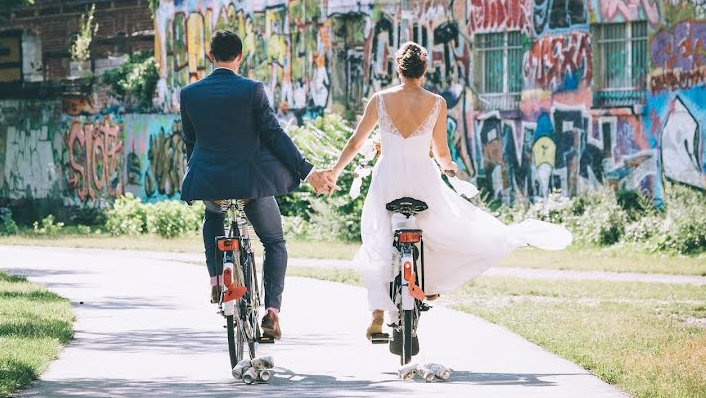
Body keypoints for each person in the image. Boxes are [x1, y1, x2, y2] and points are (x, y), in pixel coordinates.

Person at [327, 42, 572, 339]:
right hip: (421, 178)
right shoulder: (436, 103)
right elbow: (441, 151)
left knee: (379, 240)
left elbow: (355, 142)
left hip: (387, 179)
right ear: (424, 70)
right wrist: (450, 168)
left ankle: (377, 316)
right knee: (433, 232)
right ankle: (425, 285)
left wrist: (335, 172)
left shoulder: (380, 99)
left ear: (398, 67)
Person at [179, 29, 336, 341]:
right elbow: (274, 134)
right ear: (240, 57)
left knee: (213, 218)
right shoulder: (252, 89)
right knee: (274, 243)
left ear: (211, 56)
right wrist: (308, 172)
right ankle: (272, 313)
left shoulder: (189, 94)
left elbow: (191, 142)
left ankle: (215, 280)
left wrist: (199, 175)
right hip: (250, 184)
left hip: (210, 182)